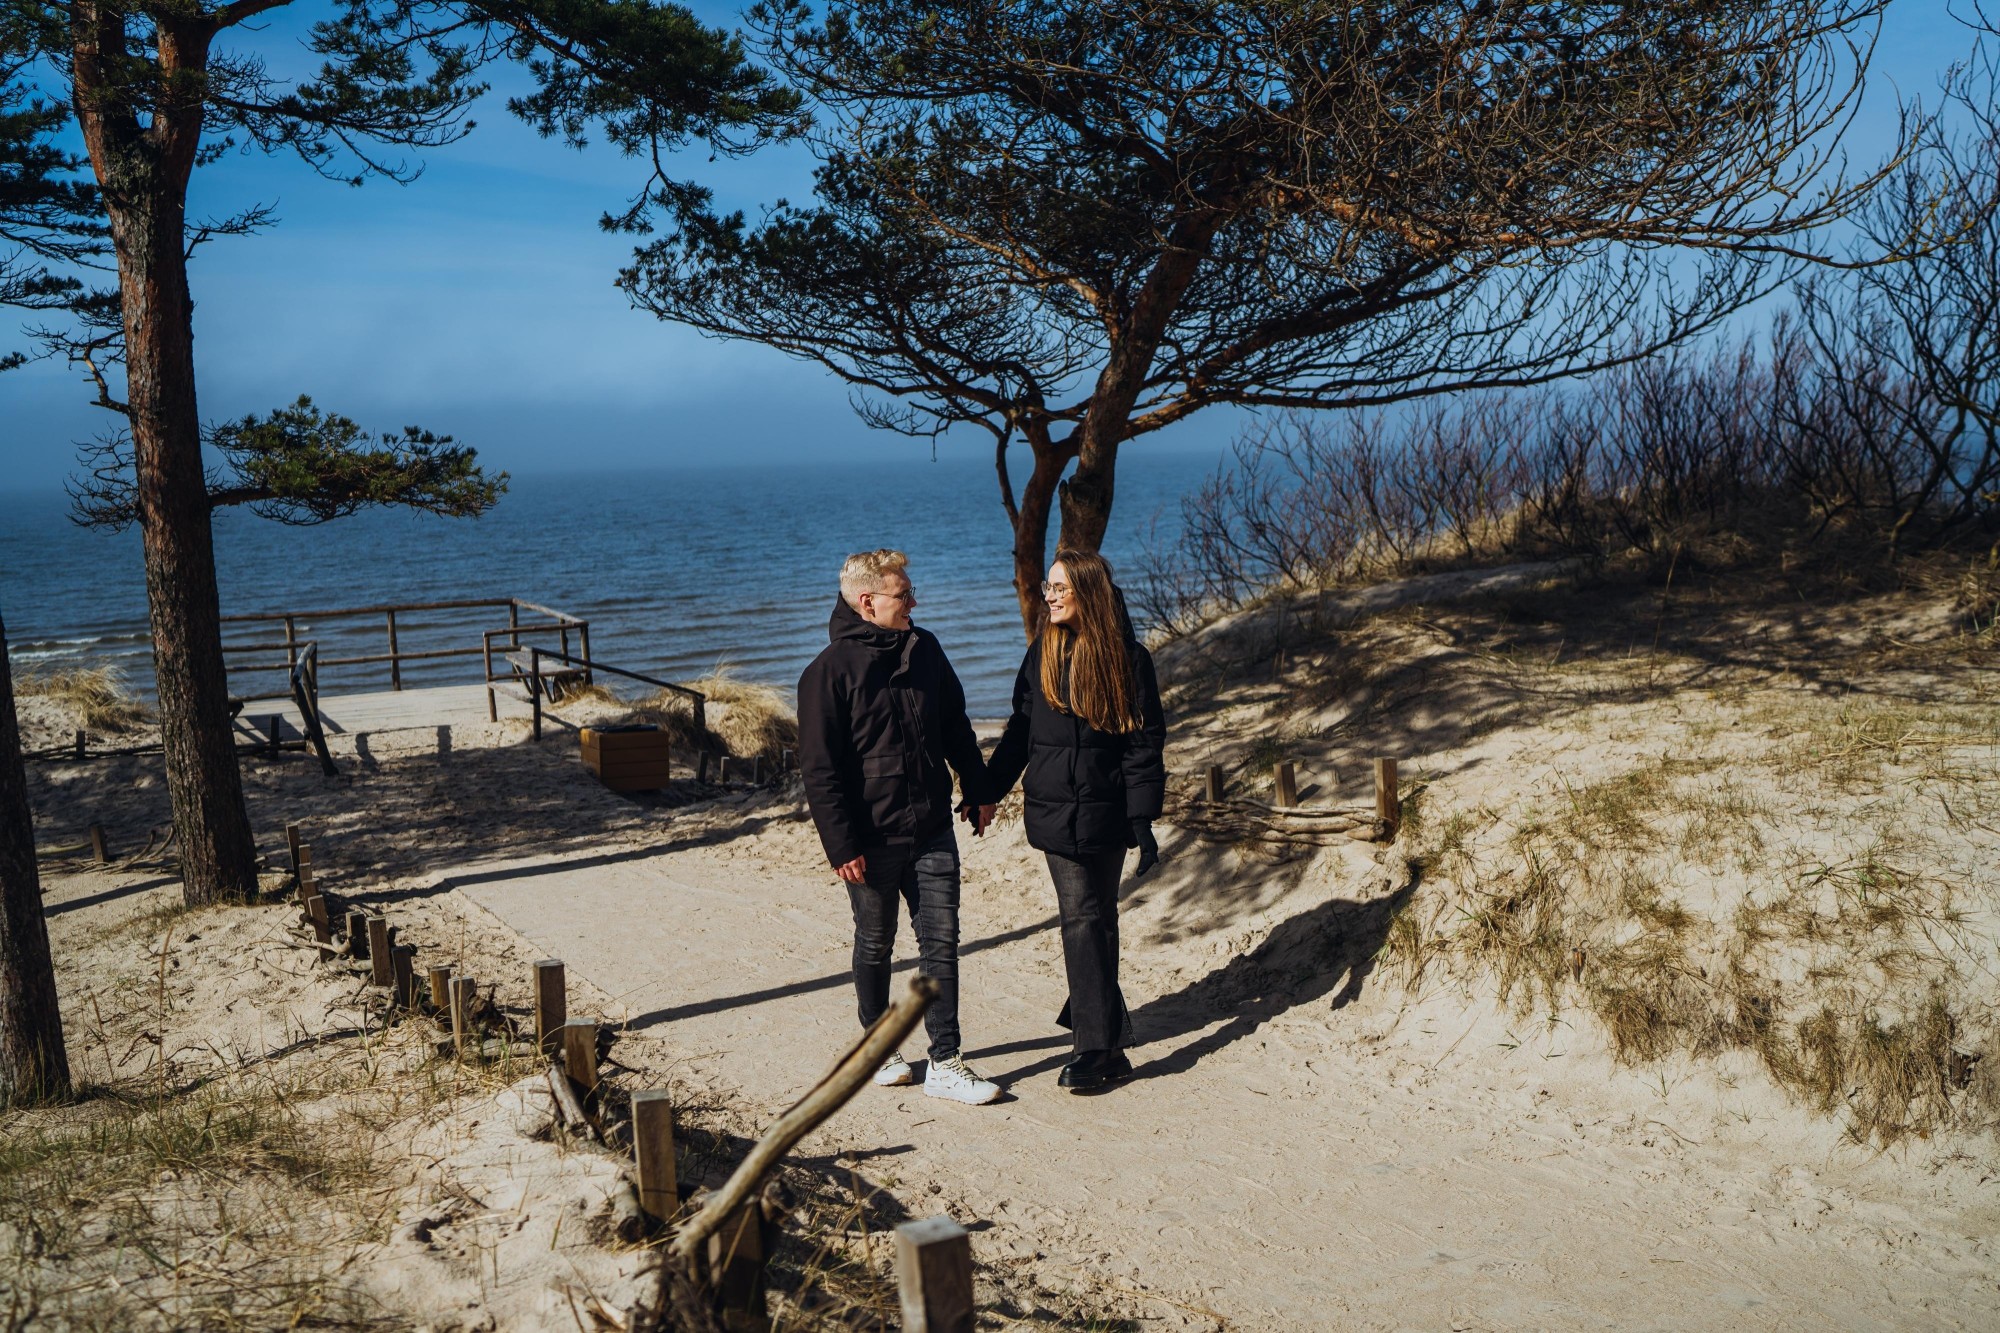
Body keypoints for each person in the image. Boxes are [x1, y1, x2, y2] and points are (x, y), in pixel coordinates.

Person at [797, 549, 1003, 1105]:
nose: (915, 601)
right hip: (870, 840)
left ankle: (946, 1062)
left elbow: (955, 726)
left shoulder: (925, 649)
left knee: (941, 942)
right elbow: (820, 771)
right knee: (876, 942)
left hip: (932, 827)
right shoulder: (826, 673)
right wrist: (841, 845)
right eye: (904, 594)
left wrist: (978, 789)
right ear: (868, 602)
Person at [985, 548, 1166, 1091]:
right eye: (1049, 587)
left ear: (1088, 592)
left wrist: (1142, 819)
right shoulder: (1041, 653)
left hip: (1108, 814)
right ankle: (1095, 1047)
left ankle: (1106, 1034)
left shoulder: (1128, 660)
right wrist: (987, 790)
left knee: (1099, 918)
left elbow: (1143, 745)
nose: (1051, 596)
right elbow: (1021, 730)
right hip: (1053, 812)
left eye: (1061, 587)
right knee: (1083, 917)